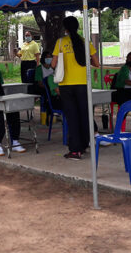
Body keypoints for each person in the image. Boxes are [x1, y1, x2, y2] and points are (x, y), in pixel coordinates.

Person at [51, 16, 101, 160]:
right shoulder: (85, 42)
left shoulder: (60, 42)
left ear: (65, 28)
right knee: (84, 115)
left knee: (72, 118)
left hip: (66, 85)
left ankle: (75, 150)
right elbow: (96, 63)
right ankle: (85, 145)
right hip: (83, 84)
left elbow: (53, 65)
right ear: (78, 27)